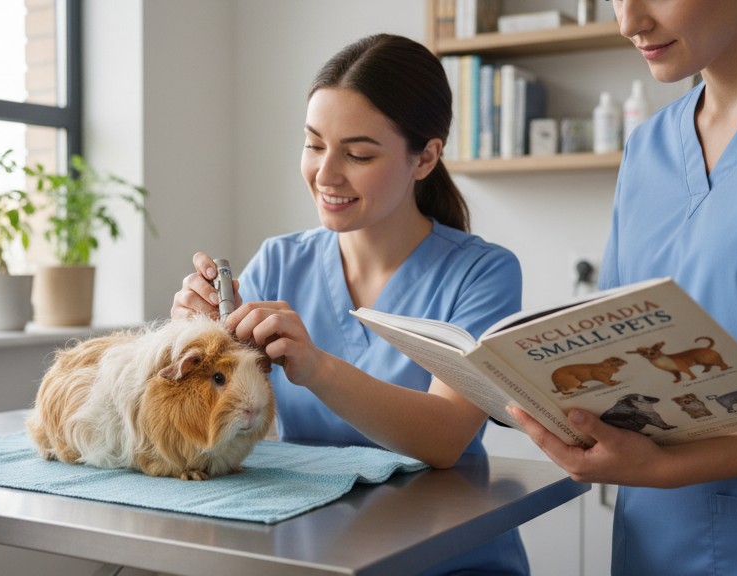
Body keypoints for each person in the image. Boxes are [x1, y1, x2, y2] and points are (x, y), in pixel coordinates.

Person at [172, 34, 529, 575]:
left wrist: (316, 367)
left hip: (447, 558)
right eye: (314, 145)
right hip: (313, 554)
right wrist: (191, 338)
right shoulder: (278, 261)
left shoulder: (483, 272)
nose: (326, 173)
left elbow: (445, 437)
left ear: (425, 157)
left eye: (358, 154)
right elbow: (204, 421)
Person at [507, 1, 737, 574]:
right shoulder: (649, 147)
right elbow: (617, 341)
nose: (628, 20)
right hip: (650, 537)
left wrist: (669, 468)